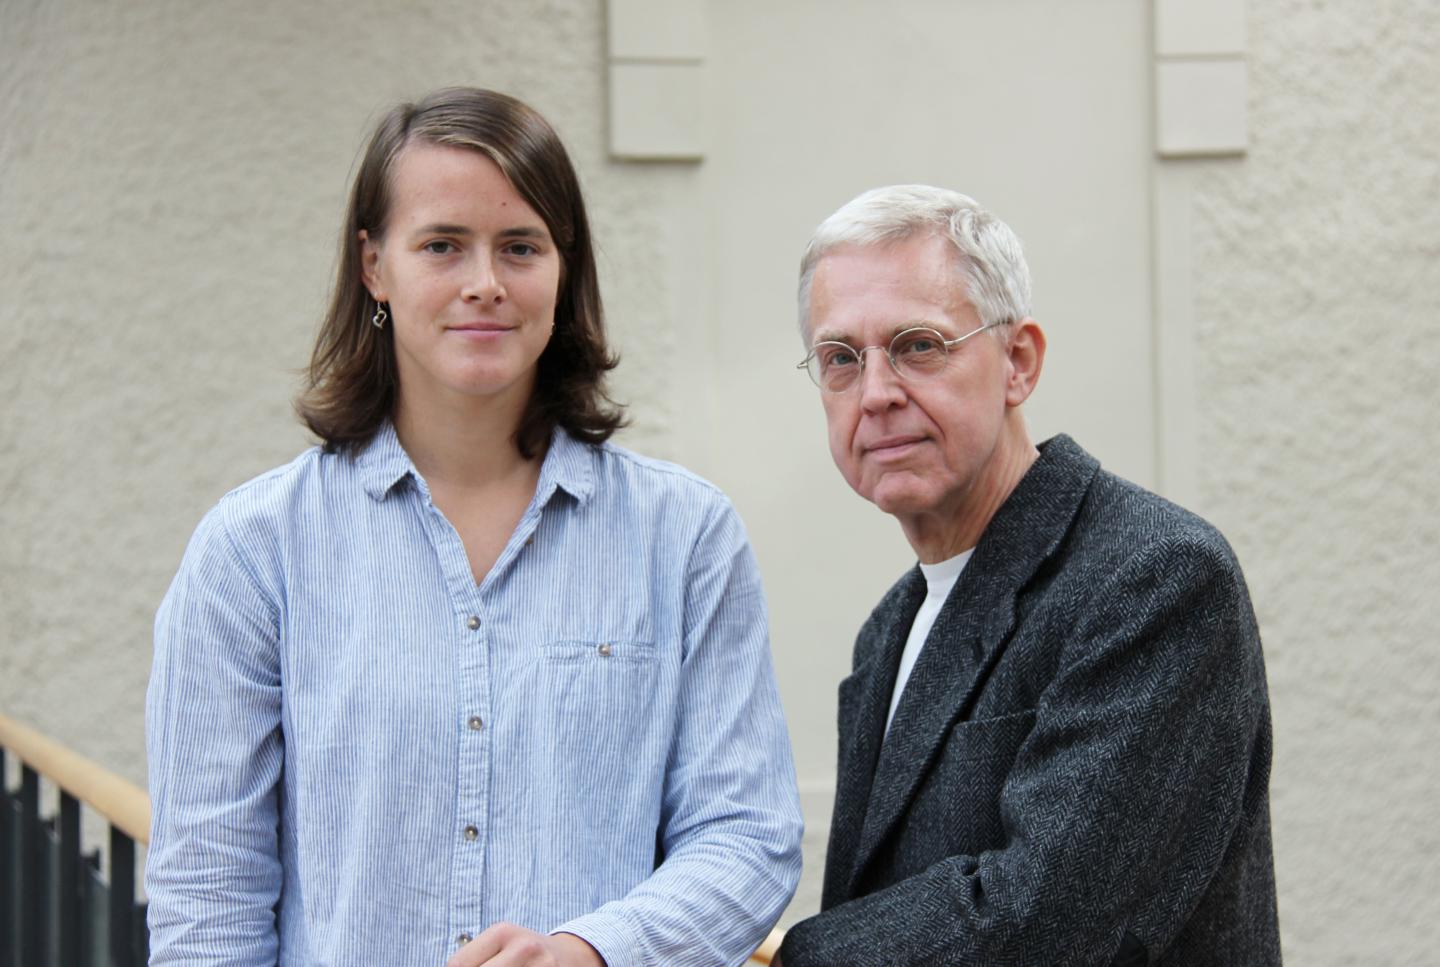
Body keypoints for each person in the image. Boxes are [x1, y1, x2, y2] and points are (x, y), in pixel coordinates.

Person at [145, 87, 802, 967]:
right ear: (374, 267)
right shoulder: (254, 550)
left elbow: (746, 835)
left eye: (520, 246)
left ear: (563, 269)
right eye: (442, 245)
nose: (485, 282)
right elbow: (207, 901)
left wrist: (591, 951)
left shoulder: (684, 537)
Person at [774, 185, 1280, 965]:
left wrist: (789, 957)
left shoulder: (1159, 576)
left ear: (1018, 362)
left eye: (918, 345)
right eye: (841, 358)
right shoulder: (889, 628)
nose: (875, 394)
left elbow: (1048, 917)